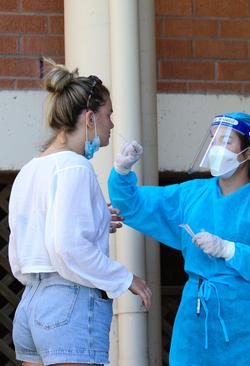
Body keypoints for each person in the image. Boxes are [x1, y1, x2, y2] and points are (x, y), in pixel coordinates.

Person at [108, 112, 250, 365]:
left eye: (227, 141)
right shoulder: (191, 195)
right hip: (197, 319)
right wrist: (122, 172)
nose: (217, 149)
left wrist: (230, 250)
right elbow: (133, 206)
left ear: (249, 152)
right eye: (214, 140)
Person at [9, 59, 151, 366]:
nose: (112, 124)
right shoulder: (76, 167)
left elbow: (30, 243)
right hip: (68, 304)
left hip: (31, 303)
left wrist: (98, 220)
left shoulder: (30, 170)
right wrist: (124, 277)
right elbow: (67, 247)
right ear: (89, 118)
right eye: (108, 115)